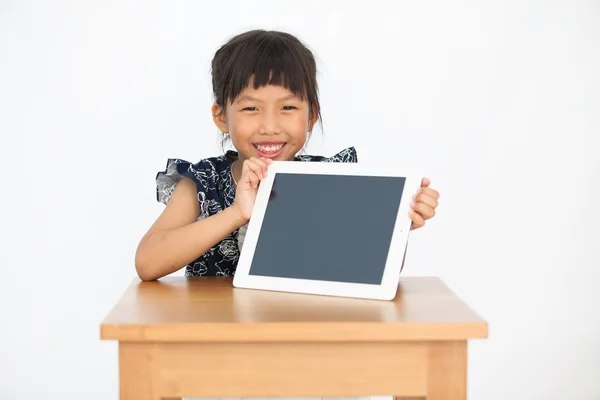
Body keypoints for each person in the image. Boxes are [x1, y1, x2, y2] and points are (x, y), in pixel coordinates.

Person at [135, 29, 440, 282]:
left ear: (311, 116)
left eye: (288, 107)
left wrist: (396, 228)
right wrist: (237, 213)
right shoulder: (202, 182)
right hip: (219, 338)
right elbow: (148, 264)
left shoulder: (330, 181)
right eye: (251, 108)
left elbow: (365, 269)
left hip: (300, 331)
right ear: (221, 117)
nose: (270, 126)